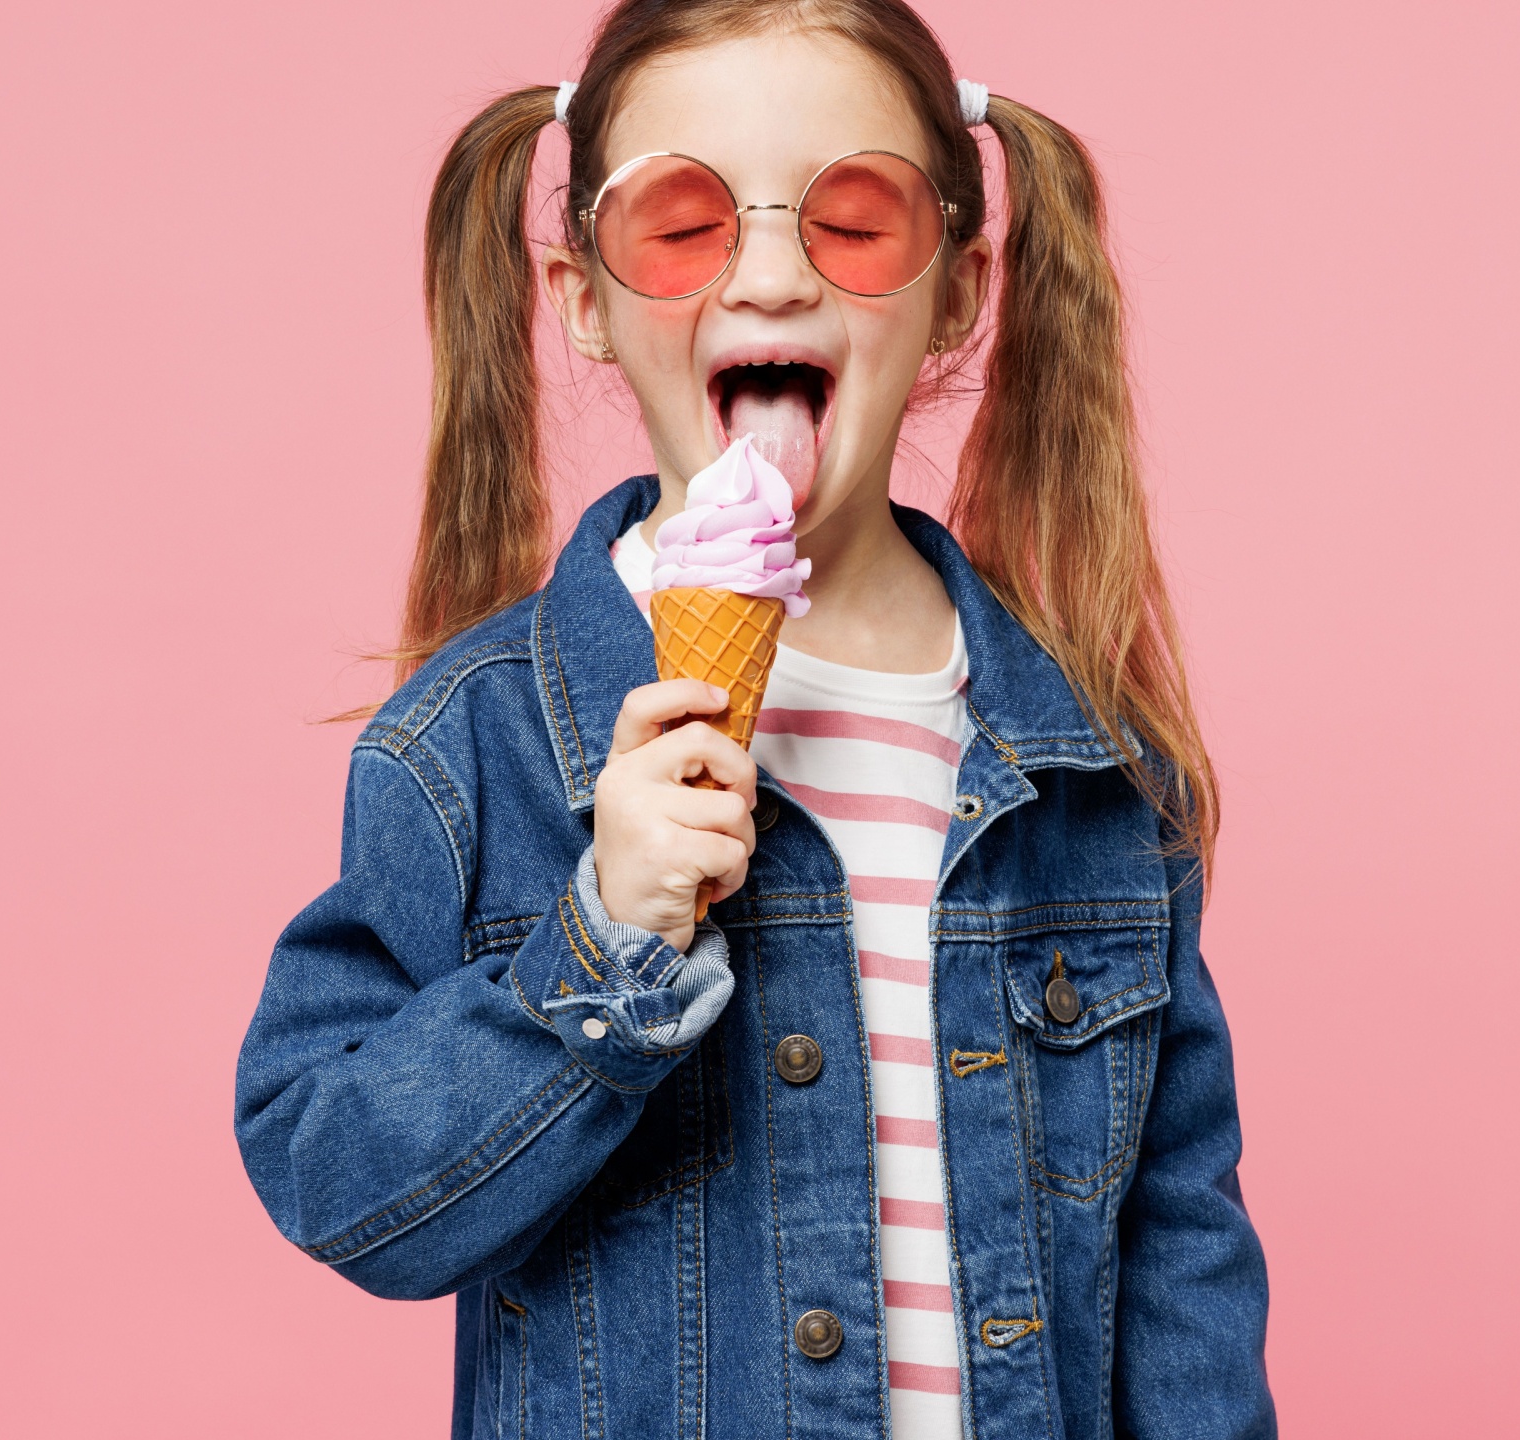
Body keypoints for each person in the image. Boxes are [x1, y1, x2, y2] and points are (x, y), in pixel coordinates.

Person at [234, 1, 1275, 1435]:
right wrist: (605, 936)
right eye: (686, 226)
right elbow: (344, 1188)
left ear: (960, 290)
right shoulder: (473, 747)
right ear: (583, 295)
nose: (774, 279)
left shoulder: (1089, 762)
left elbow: (1182, 1259)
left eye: (852, 222)